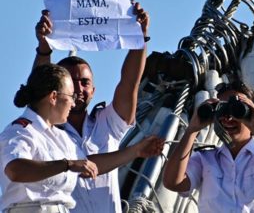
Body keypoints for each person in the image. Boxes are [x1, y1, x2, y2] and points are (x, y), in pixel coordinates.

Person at [33, 2, 150, 213]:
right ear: (56, 90)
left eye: (85, 82)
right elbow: (39, 88)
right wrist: (44, 48)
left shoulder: (108, 124)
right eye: (71, 81)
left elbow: (130, 82)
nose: (79, 88)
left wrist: (138, 37)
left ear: (93, 90)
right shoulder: (43, 131)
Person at [0, 64, 164, 213]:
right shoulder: (21, 130)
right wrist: (67, 165)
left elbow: (89, 164)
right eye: (70, 96)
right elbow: (15, 170)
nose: (73, 103)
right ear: (53, 97)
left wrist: (135, 151)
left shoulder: (59, 137)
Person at [163, 81, 254, 213]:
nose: (228, 118)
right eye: (222, 111)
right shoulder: (205, 159)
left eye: (236, 111)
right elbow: (172, 182)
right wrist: (192, 130)